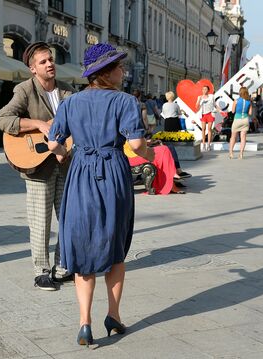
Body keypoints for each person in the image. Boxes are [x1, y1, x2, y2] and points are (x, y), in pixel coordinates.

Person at [47, 43, 155, 346]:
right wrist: (150, 154)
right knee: (114, 244)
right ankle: (114, 315)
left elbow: (55, 146)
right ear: (106, 73)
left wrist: (64, 155)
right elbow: (135, 146)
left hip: (80, 174)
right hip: (113, 175)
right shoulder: (125, 102)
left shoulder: (70, 103)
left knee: (82, 246)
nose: (124, 71)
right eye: (120, 67)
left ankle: (84, 323)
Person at [0, 41, 76, 291]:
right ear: (33, 68)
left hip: (64, 163)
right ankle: (41, 272)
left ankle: (62, 268)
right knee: (41, 222)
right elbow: (3, 119)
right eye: (43, 62)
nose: (50, 64)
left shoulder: (67, 91)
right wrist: (39, 124)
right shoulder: (25, 90)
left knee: (67, 218)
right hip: (37, 165)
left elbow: (77, 124)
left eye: (51, 59)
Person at [229, 87, 252, 159]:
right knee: (243, 138)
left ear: (240, 92)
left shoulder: (236, 101)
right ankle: (241, 154)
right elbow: (250, 113)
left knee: (233, 137)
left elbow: (232, 111)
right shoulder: (249, 101)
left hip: (237, 119)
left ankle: (231, 153)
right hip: (245, 120)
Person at [195, 85, 217, 151]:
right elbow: (197, 107)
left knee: (209, 129)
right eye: (203, 89)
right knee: (203, 129)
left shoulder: (211, 96)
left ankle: (209, 144)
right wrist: (199, 100)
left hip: (210, 113)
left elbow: (215, 105)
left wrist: (219, 110)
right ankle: (204, 144)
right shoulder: (199, 97)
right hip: (203, 114)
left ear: (208, 90)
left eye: (205, 89)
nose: (204, 90)